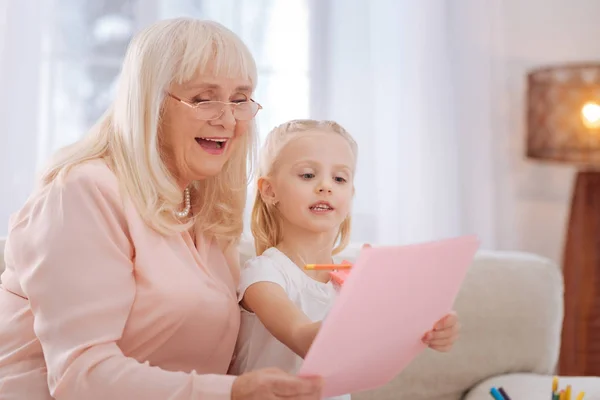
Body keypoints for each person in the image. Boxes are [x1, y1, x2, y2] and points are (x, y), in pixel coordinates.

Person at [0, 18, 323, 400]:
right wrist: (232, 393)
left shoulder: (206, 210)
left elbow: (229, 364)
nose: (227, 118)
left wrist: (367, 328)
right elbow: (79, 378)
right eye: (204, 98)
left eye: (240, 99)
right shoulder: (82, 192)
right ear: (150, 103)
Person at [229, 120, 460, 399]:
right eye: (307, 175)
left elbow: (382, 348)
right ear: (269, 190)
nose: (326, 186)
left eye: (339, 178)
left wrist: (430, 327)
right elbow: (303, 336)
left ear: (350, 195)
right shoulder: (264, 273)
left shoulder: (353, 279)